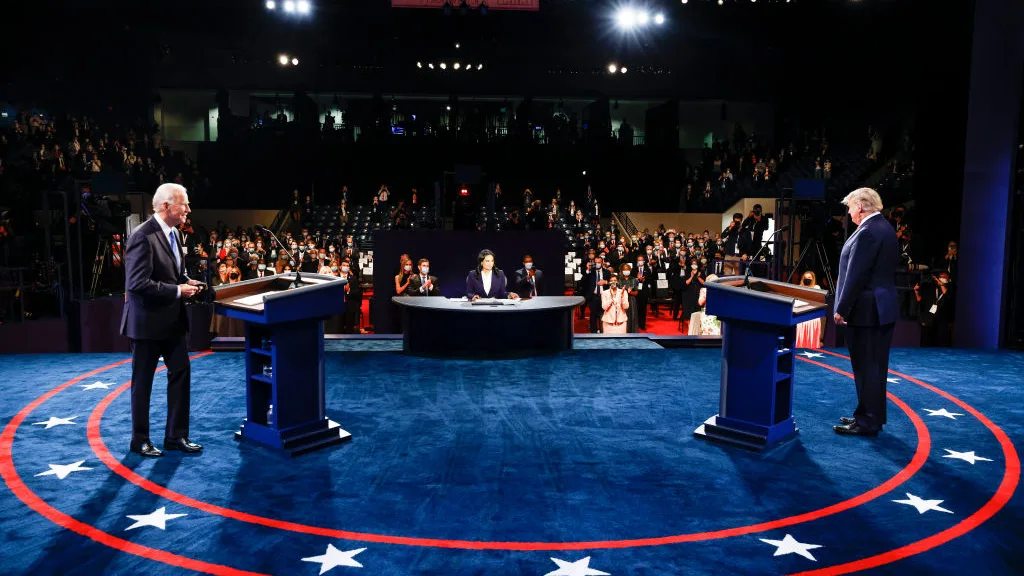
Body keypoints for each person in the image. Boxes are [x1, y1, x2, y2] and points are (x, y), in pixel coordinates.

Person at [120, 183, 204, 457]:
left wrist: (185, 281)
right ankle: (139, 440)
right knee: (142, 383)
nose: (188, 210)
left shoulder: (176, 234)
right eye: (185, 204)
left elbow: (171, 273)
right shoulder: (142, 236)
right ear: (167, 206)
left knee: (180, 374)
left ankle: (176, 437)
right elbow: (137, 283)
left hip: (172, 322)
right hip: (146, 324)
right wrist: (178, 290)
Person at [833, 187, 898, 437]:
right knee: (874, 367)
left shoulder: (868, 232)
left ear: (860, 206)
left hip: (867, 312)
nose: (849, 213)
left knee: (867, 367)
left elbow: (856, 275)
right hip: (880, 308)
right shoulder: (885, 228)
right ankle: (871, 415)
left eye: (850, 207)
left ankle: (867, 421)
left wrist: (841, 308)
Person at [795, 271, 823, 348]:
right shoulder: (799, 287)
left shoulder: (817, 287)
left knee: (815, 318)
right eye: (806, 278)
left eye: (809, 278)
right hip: (802, 310)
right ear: (803, 279)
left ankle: (812, 343)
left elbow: (819, 300)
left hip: (813, 311)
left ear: (813, 279)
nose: (807, 279)